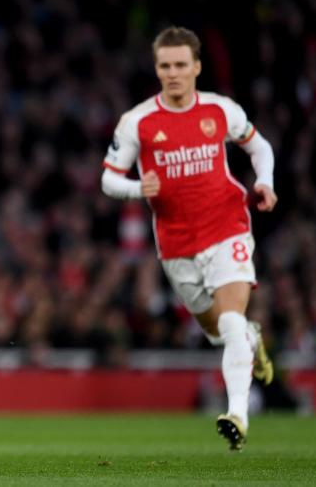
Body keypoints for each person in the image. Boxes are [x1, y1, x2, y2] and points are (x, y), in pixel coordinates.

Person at [101, 26, 276, 451]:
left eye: (181, 65)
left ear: (197, 67)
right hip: (176, 245)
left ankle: (238, 412)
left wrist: (265, 182)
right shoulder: (137, 122)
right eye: (165, 66)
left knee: (230, 319)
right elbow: (108, 179)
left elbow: (260, 147)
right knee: (219, 330)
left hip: (227, 227)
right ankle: (250, 340)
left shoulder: (221, 110)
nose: (173, 73)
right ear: (157, 69)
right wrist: (135, 189)